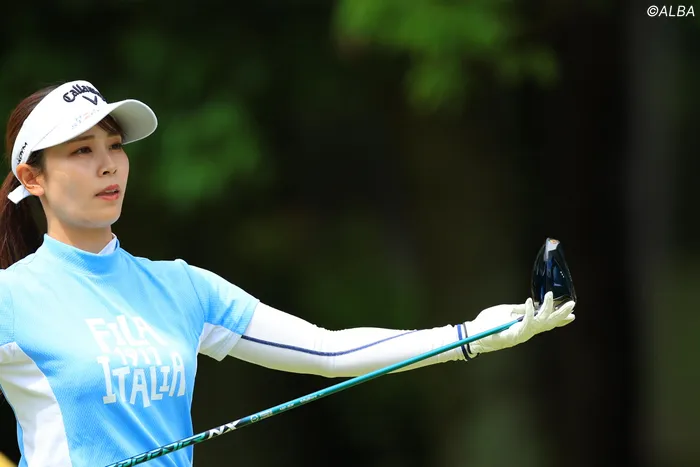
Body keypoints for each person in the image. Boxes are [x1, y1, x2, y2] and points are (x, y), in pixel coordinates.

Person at [0, 80, 576, 467]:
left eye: (114, 145)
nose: (108, 164)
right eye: (82, 151)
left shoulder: (182, 287)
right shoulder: (13, 298)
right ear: (32, 178)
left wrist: (471, 335)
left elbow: (329, 352)